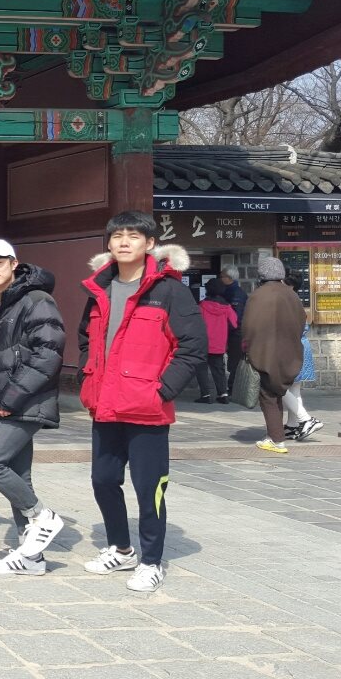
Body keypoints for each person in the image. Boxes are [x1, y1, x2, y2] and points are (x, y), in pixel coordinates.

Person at [78, 211, 205, 593]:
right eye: (117, 235)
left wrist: (161, 391)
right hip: (106, 405)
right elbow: (86, 339)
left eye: (133, 236)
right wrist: (89, 375)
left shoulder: (169, 291)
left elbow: (193, 346)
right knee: (103, 480)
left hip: (148, 409)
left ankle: (151, 561)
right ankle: (121, 549)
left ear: (150, 243)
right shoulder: (99, 290)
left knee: (149, 488)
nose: (123, 242)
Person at [0, 240, 67, 576]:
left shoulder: (36, 300)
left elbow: (48, 354)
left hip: (26, 401)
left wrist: (10, 398)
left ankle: (43, 516)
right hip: (15, 399)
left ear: (14, 263)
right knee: (19, 476)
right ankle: (31, 557)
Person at [242, 257, 315, 453]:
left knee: (268, 394)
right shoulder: (291, 295)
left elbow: (249, 326)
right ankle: (278, 434)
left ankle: (276, 439)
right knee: (279, 392)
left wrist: (247, 349)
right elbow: (301, 322)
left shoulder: (258, 296)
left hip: (265, 352)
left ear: (261, 274)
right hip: (290, 352)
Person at [194, 279, 238, 404]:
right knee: (219, 369)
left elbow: (196, 324)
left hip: (203, 343)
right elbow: (234, 324)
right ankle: (223, 394)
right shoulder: (227, 307)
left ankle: (205, 395)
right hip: (219, 343)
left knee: (201, 368)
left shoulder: (202, 306)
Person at [282, 315, 323, 441]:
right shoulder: (297, 306)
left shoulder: (283, 308)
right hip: (302, 345)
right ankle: (292, 426)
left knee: (277, 386)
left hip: (291, 348)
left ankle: (306, 419)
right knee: (295, 389)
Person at [220, 267, 248, 394]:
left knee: (235, 361)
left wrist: (226, 329)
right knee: (233, 361)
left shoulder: (236, 293)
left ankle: (233, 388)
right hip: (230, 332)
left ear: (229, 278)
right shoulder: (228, 291)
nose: (220, 279)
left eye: (222, 276)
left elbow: (236, 318)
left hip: (235, 333)